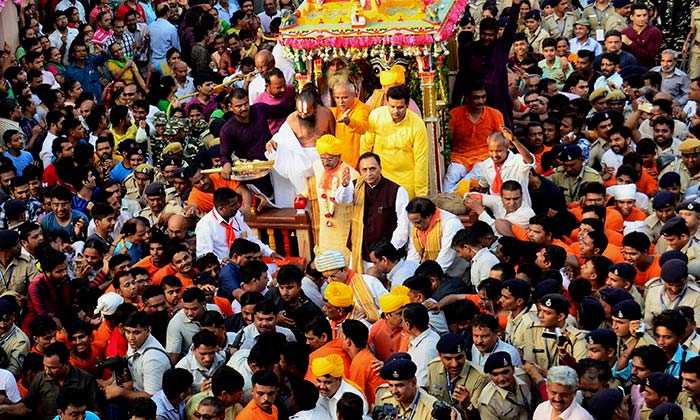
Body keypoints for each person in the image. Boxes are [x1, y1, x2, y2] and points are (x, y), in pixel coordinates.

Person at [360, 85, 428, 199]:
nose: (395, 111)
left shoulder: (417, 124)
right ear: (386, 102)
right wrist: (365, 178)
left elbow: (421, 161)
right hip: (380, 179)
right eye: (392, 106)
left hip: (406, 182)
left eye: (400, 107)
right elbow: (365, 148)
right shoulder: (376, 116)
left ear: (407, 105)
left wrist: (421, 194)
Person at [0, 342, 101, 419]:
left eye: (52, 368)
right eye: (45, 366)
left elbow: (96, 412)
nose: (47, 371)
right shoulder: (40, 378)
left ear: (66, 363)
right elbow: (27, 407)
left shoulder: (86, 380)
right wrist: (5, 409)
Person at [349, 152, 409, 273]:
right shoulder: (355, 187)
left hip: (386, 257)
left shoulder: (396, 190)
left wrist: (389, 250)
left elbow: (403, 225)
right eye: (364, 170)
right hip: (361, 252)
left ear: (380, 168)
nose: (368, 173)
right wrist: (345, 185)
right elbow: (342, 199)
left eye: (372, 169)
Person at [443, 81, 504, 191]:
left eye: (483, 97)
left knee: (470, 178)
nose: (481, 101)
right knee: (450, 178)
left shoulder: (495, 114)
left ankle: (451, 198)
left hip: (484, 158)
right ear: (467, 98)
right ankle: (449, 198)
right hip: (459, 158)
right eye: (476, 98)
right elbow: (447, 141)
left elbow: (501, 140)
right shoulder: (454, 114)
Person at [306, 134, 358, 256]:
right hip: (325, 226)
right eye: (322, 158)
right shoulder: (317, 166)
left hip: (343, 226)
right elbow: (307, 178)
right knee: (325, 256)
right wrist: (303, 192)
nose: (325, 162)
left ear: (339, 157)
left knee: (343, 257)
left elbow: (348, 199)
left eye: (329, 159)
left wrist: (345, 186)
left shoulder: (351, 174)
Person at [194, 187, 274, 261]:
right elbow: (205, 256)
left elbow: (251, 239)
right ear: (221, 208)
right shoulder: (204, 225)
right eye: (233, 205)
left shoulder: (237, 215)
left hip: (242, 262)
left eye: (237, 203)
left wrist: (270, 252)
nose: (238, 206)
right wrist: (224, 263)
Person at [314, 250, 387, 323]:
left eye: (333, 276)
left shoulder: (369, 282)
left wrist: (367, 317)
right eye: (326, 278)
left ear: (344, 269)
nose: (329, 281)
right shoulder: (330, 289)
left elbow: (388, 309)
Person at [377, 356, 459, 420]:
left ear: (413, 382)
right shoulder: (386, 399)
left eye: (400, 385)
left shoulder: (431, 409)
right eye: (391, 385)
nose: (394, 391)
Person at [425, 332, 488, 414]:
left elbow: (480, 417)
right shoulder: (433, 367)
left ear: (465, 354)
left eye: (459, 357)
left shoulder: (480, 378)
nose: (454, 364)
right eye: (448, 359)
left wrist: (467, 405)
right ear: (439, 356)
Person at [405, 197, 463, 275]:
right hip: (430, 272)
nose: (414, 226)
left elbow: (445, 258)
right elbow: (413, 254)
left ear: (428, 216)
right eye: (412, 223)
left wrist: (427, 278)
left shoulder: (451, 224)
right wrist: (408, 274)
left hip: (453, 273)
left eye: (417, 222)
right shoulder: (416, 224)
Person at [644, 259, 700, 326]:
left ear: (686, 279)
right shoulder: (653, 292)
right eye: (670, 285)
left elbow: (696, 326)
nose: (674, 289)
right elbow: (648, 323)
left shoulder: (696, 297)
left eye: (679, 285)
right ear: (663, 281)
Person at [339, 320, 384, 405]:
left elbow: (355, 395)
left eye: (341, 336)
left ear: (348, 341)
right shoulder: (365, 357)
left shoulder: (360, 362)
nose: (338, 340)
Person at [477, 351, 532, 420]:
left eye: (505, 372)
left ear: (513, 370)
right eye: (495, 374)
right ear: (490, 376)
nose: (501, 379)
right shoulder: (487, 402)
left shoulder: (524, 377)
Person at [311, 354, 368, 418]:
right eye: (319, 381)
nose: (322, 386)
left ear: (339, 379)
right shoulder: (316, 392)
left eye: (327, 382)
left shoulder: (353, 401)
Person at [329, 80, 369, 167]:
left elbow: (363, 128)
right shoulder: (336, 111)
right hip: (341, 163)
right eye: (337, 98)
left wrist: (349, 121)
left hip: (357, 164)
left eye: (344, 97)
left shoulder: (362, 109)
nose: (341, 101)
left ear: (354, 95)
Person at [403, 303, 440, 387]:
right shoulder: (430, 336)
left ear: (408, 325)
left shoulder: (426, 350)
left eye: (402, 321)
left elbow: (421, 384)